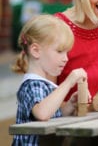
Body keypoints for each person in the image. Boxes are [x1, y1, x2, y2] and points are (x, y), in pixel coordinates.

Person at [11, 14, 88, 146]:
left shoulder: (44, 84)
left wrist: (70, 105)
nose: (66, 58)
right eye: (59, 51)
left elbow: (51, 115)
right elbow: (42, 113)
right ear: (36, 50)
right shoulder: (32, 84)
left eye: (67, 53)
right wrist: (68, 82)